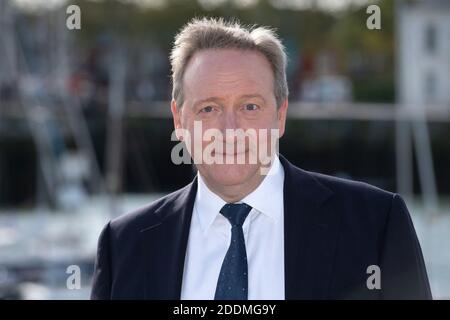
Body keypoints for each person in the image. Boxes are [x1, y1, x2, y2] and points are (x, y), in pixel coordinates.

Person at [91, 17, 431, 300]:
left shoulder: (375, 227)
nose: (230, 129)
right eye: (209, 108)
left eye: (249, 107)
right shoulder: (123, 247)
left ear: (280, 115)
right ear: (179, 121)